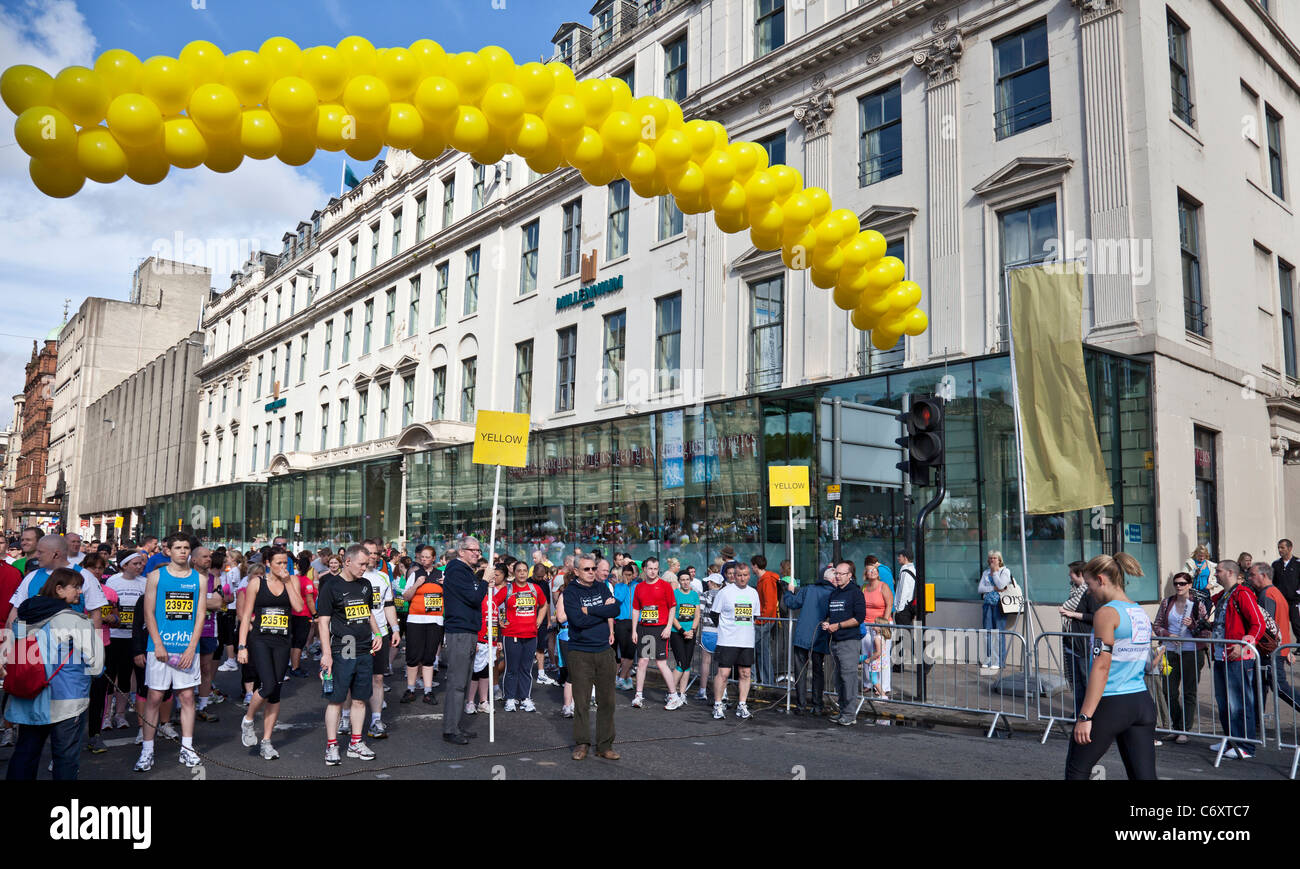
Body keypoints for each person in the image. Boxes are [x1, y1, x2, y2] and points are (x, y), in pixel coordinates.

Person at [4, 567, 104, 780]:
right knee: (65, 757)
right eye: (75, 587)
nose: (80, 592)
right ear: (59, 589)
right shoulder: (76, 620)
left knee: (25, 753)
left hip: (28, 695)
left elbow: (11, 653)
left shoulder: (22, 617)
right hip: (67, 699)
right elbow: (96, 664)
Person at [1064, 552, 1156, 780]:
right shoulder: (1138, 611)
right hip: (1141, 702)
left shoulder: (1106, 613)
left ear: (1101, 579)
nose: (1088, 591)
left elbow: (1102, 666)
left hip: (1112, 701)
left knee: (1077, 770)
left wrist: (1084, 717)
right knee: (1144, 776)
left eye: (1089, 584)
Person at [134, 533, 205, 771]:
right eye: (178, 547)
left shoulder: (199, 579)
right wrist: (158, 644)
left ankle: (187, 749)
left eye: (186, 548)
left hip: (187, 649)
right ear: (169, 550)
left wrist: (192, 647)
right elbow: (149, 613)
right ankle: (147, 751)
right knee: (154, 697)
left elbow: (200, 616)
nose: (183, 552)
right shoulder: (155, 576)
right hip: (159, 648)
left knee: (186, 697)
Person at [316, 544, 383, 765]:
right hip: (343, 646)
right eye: (362, 564)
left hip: (365, 647)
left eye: (368, 564)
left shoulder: (365, 584)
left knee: (360, 699)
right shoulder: (330, 586)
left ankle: (355, 743)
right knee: (336, 699)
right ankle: (332, 745)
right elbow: (323, 622)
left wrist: (378, 633)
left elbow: (368, 612)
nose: (366, 567)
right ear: (348, 562)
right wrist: (326, 654)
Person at [236, 548, 304, 760]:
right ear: (268, 563)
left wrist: (288, 583)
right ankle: (248, 720)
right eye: (279, 563)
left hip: (282, 641)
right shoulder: (257, 582)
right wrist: (241, 646)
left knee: (275, 694)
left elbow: (299, 606)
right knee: (267, 685)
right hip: (260, 640)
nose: (283, 567)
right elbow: (246, 616)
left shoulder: (291, 580)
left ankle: (266, 741)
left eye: (286, 563)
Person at [563, 555, 621, 760]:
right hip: (580, 652)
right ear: (576, 571)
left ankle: (605, 745)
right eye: (586, 569)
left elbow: (615, 609)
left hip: (604, 651)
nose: (591, 572)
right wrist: (601, 612)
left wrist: (590, 610)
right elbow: (577, 620)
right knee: (581, 701)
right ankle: (582, 743)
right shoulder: (570, 592)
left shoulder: (602, 586)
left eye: (592, 568)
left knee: (607, 701)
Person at [1209, 560, 1267, 760]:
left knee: (1239, 702)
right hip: (1221, 655)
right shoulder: (1225, 595)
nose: (1215, 574)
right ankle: (1231, 740)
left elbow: (1257, 624)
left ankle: (1246, 745)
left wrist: (1243, 646)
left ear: (1230, 572)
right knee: (1224, 701)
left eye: (1218, 571)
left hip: (1238, 658)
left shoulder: (1242, 594)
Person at [1152, 571, 1210, 742]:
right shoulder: (1167, 602)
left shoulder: (1198, 604)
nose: (1179, 586)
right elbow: (1157, 625)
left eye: (1183, 583)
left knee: (1189, 691)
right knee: (1168, 690)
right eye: (1176, 583)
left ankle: (1185, 730)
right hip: (1170, 651)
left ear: (1190, 585)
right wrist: (1168, 635)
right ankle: (1177, 727)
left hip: (1192, 651)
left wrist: (1192, 625)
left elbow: (1206, 632)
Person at [441, 537, 487, 745]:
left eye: (478, 550)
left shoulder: (465, 571)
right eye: (472, 550)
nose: (476, 553)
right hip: (459, 631)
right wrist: (485, 580)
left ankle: (456, 725)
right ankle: (450, 729)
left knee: (465, 681)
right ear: (462, 552)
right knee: (458, 683)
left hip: (468, 630)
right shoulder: (456, 570)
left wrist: (482, 581)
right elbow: (474, 598)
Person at [711, 562, 761, 721]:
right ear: (734, 575)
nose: (742, 578)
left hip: (746, 641)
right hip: (727, 640)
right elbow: (714, 615)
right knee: (723, 673)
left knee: (745, 673)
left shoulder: (753, 593)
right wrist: (726, 629)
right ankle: (718, 705)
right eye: (739, 575)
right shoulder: (725, 592)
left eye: (745, 575)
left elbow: (755, 616)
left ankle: (742, 705)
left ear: (749, 575)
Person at [104, 550, 147, 732]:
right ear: (124, 566)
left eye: (141, 563)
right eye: (135, 564)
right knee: (109, 676)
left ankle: (120, 714)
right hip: (114, 635)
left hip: (133, 636)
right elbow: (108, 606)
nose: (139, 566)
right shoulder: (113, 581)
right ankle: (106, 715)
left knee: (125, 676)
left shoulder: (145, 583)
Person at [497, 560, 547, 712]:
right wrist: (500, 619)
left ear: (528, 572)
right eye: (519, 570)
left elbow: (544, 605)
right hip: (511, 635)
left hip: (530, 635)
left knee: (526, 669)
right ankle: (510, 698)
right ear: (514, 573)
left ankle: (525, 697)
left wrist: (538, 621)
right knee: (511, 668)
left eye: (525, 570)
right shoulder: (507, 589)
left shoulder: (535, 588)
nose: (522, 573)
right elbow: (492, 604)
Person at [1249, 561, 1299, 715]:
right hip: (1275, 650)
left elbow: (1266, 625)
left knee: (1279, 687)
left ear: (1263, 576)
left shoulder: (1267, 594)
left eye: (1252, 575)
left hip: (1271, 651)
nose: (1249, 578)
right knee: (1259, 686)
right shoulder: (1275, 593)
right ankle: (1256, 722)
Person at [361, 540, 400, 739]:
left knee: (378, 677)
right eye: (369, 552)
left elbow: (389, 605)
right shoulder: (352, 577)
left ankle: (376, 719)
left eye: (376, 553)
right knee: (351, 677)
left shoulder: (383, 577)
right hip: (356, 636)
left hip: (381, 634)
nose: (373, 556)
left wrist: (395, 629)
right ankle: (345, 715)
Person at [784, 566, 833, 715]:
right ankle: (817, 706)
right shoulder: (833, 593)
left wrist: (788, 591)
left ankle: (801, 706)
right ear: (830, 579)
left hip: (802, 636)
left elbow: (792, 603)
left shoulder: (808, 589)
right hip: (819, 636)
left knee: (801, 672)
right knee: (818, 672)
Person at [630, 557, 676, 709]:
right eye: (650, 568)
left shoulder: (665, 586)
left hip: (660, 628)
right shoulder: (639, 587)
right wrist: (634, 630)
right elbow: (636, 609)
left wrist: (669, 627)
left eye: (656, 569)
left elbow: (672, 607)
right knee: (642, 661)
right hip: (644, 628)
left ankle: (673, 695)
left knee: (660, 663)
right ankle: (638, 695)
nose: (653, 571)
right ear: (644, 569)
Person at [824, 561, 865, 726]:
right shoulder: (834, 593)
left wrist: (838, 626)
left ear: (850, 576)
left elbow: (859, 618)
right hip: (835, 641)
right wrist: (827, 624)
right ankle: (842, 711)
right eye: (836, 573)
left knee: (849, 678)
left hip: (849, 641)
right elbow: (830, 614)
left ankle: (850, 714)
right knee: (839, 679)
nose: (837, 576)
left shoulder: (855, 593)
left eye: (841, 574)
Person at [401, 546, 443, 704]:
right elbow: (406, 597)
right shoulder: (415, 574)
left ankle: (428, 691)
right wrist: (416, 584)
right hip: (415, 620)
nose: (424, 559)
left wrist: (447, 585)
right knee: (413, 656)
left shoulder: (441, 575)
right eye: (422, 557)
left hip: (435, 620)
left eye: (427, 557)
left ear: (434, 558)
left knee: (429, 657)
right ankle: (410, 689)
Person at [1059, 561, 1099, 718]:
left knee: (1087, 681)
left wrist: (1073, 614)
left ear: (1080, 574)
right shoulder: (1075, 592)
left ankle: (1091, 714)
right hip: (1072, 644)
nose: (1070, 578)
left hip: (1084, 645)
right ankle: (1078, 713)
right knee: (1076, 683)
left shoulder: (1089, 593)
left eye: (1071, 575)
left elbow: (1096, 616)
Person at [666, 568, 699, 709]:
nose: (685, 582)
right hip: (677, 632)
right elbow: (672, 615)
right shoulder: (674, 594)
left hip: (690, 632)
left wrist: (691, 630)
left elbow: (697, 615)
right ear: (679, 582)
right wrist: (682, 630)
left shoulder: (694, 595)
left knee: (687, 664)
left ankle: (682, 693)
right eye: (682, 580)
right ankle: (670, 693)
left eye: (687, 579)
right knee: (681, 663)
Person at [861, 562, 894, 698]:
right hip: (866, 624)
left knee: (882, 656)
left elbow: (889, 604)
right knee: (867, 653)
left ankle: (884, 686)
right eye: (870, 570)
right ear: (866, 575)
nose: (873, 572)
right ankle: (869, 683)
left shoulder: (883, 586)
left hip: (881, 625)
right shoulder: (864, 587)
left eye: (875, 570)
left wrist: (883, 624)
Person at [977, 550, 1011, 672]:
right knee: (987, 633)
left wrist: (995, 573)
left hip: (999, 605)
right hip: (987, 605)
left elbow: (1001, 585)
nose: (993, 560)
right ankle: (988, 659)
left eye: (995, 558)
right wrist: (993, 588)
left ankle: (998, 661)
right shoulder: (985, 572)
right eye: (991, 558)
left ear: (1000, 560)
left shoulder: (1005, 571)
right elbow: (980, 589)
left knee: (998, 633)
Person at [696, 569, 725, 701]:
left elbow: (700, 612)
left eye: (709, 582)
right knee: (722, 665)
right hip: (722, 632)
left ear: (713, 583)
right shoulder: (724, 595)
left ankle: (702, 690)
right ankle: (723, 693)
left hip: (708, 630)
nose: (707, 584)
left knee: (705, 662)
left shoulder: (705, 595)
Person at [288, 550, 317, 678]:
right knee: (299, 642)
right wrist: (315, 614)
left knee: (294, 641)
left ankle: (292, 664)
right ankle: (295, 667)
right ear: (309, 567)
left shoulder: (293, 579)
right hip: (303, 614)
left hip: (293, 613)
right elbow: (310, 600)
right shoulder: (307, 582)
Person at [611, 560, 637, 690]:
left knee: (630, 653)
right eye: (625, 574)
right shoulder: (619, 587)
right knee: (623, 653)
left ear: (633, 575)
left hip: (634, 623)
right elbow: (618, 599)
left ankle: (621, 678)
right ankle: (624, 679)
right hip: (621, 622)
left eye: (629, 575)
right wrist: (625, 585)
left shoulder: (637, 586)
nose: (627, 577)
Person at [1273, 539, 1300, 648]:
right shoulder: (1276, 564)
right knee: (1280, 624)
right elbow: (1273, 582)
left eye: (1282, 547)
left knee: (1297, 624)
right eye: (1279, 547)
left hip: (1295, 600)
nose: (1280, 550)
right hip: (1281, 600)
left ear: (1289, 548)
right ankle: (1281, 646)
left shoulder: (1298, 563)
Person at [894, 551, 917, 626]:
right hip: (910, 607)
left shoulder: (905, 572)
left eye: (899, 556)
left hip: (904, 609)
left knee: (903, 634)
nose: (898, 558)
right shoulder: (913, 570)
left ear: (905, 558)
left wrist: (899, 610)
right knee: (906, 634)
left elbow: (904, 591)